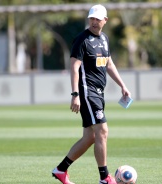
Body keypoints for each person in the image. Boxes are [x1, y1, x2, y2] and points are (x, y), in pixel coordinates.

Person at [52, 4, 131, 184]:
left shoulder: (105, 39)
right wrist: (75, 94)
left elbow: (109, 64)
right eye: (92, 18)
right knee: (102, 131)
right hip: (88, 93)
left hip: (99, 93)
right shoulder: (82, 40)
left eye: (98, 19)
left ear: (105, 20)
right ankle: (105, 178)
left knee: (90, 137)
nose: (94, 22)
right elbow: (74, 67)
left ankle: (60, 170)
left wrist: (122, 85)